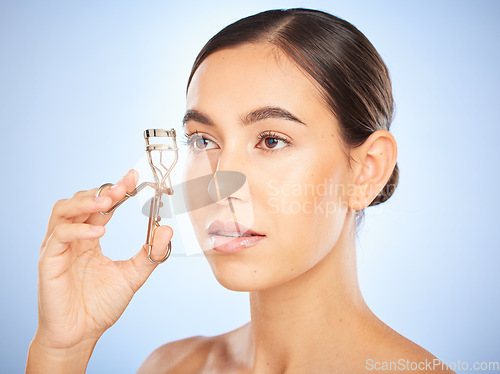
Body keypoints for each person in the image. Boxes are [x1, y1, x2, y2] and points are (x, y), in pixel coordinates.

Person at [26, 8, 455, 374]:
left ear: (367, 171)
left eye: (271, 140)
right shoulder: (173, 366)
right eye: (203, 141)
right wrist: (63, 349)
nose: (217, 183)